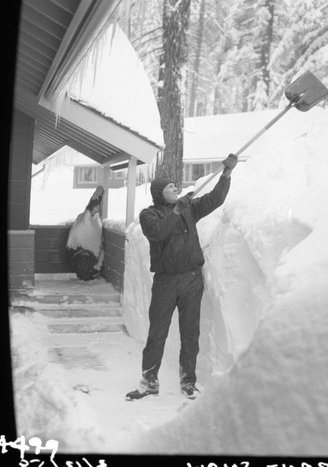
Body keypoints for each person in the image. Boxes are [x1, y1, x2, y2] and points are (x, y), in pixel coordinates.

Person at [126, 153, 238, 401]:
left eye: (176, 187)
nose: (175, 189)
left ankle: (188, 382)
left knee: (190, 333)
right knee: (157, 332)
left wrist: (226, 174)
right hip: (166, 281)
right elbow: (158, 233)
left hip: (191, 280)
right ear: (158, 193)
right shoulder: (149, 215)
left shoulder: (188, 209)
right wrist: (176, 210)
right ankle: (149, 381)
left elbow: (214, 199)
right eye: (170, 187)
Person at [66, 185, 105, 281]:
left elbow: (89, 211)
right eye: (95, 209)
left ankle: (87, 271)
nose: (96, 211)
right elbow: (88, 212)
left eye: (98, 209)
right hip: (78, 253)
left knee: (84, 261)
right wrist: (97, 197)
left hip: (83, 255)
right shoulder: (85, 219)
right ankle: (86, 271)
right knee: (83, 260)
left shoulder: (94, 222)